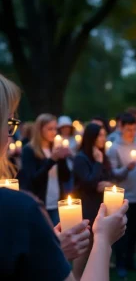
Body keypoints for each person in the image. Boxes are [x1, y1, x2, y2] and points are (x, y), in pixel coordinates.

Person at [0, 73, 128, 281]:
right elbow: (33, 179)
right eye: (8, 123)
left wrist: (49, 249)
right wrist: (103, 240)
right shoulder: (18, 209)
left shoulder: (62, 150)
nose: (10, 134)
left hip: (53, 200)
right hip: (40, 201)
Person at [107, 113, 136, 278]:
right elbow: (114, 173)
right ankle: (120, 263)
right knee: (121, 233)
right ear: (121, 127)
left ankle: (131, 261)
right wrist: (127, 168)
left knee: (134, 231)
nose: (131, 133)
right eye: (128, 129)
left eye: (134, 129)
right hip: (123, 196)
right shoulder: (114, 147)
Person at [72, 123, 113, 279]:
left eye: (104, 135)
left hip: (100, 206)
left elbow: (107, 177)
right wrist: (97, 163)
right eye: (100, 135)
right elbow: (88, 183)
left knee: (97, 246)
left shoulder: (102, 155)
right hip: (86, 207)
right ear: (91, 137)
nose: (103, 138)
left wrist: (106, 184)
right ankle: (75, 277)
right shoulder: (81, 158)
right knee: (85, 247)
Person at [19, 114, 72, 225]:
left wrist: (62, 158)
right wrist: (52, 160)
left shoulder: (55, 147)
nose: (54, 132)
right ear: (39, 129)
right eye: (50, 129)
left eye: (55, 129)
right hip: (39, 203)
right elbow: (33, 180)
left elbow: (66, 177)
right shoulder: (29, 150)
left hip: (57, 202)